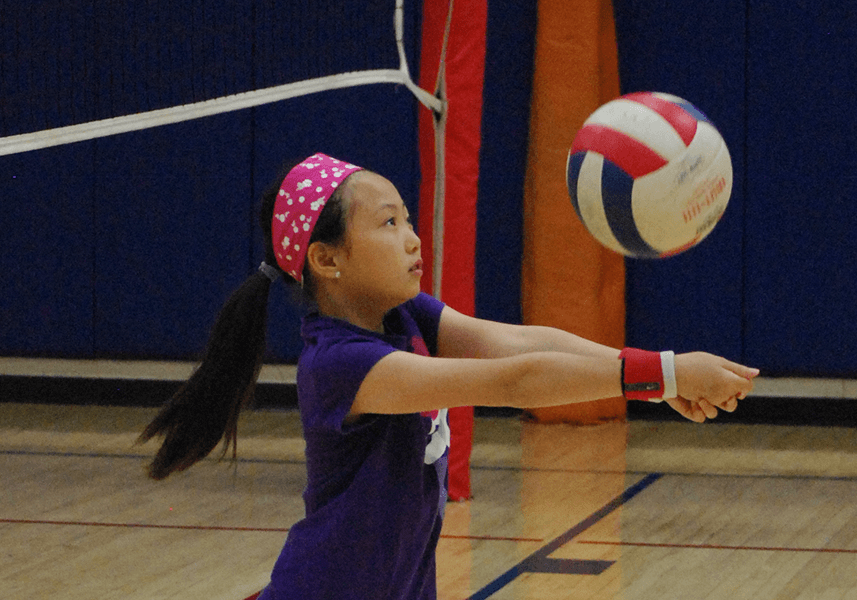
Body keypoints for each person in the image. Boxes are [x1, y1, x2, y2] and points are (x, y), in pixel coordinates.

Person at [139, 153, 758, 599]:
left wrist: (663, 373)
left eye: (407, 219)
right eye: (387, 224)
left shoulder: (407, 314)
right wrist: (666, 375)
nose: (412, 238)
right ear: (327, 260)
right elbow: (515, 381)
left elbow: (516, 342)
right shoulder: (340, 364)